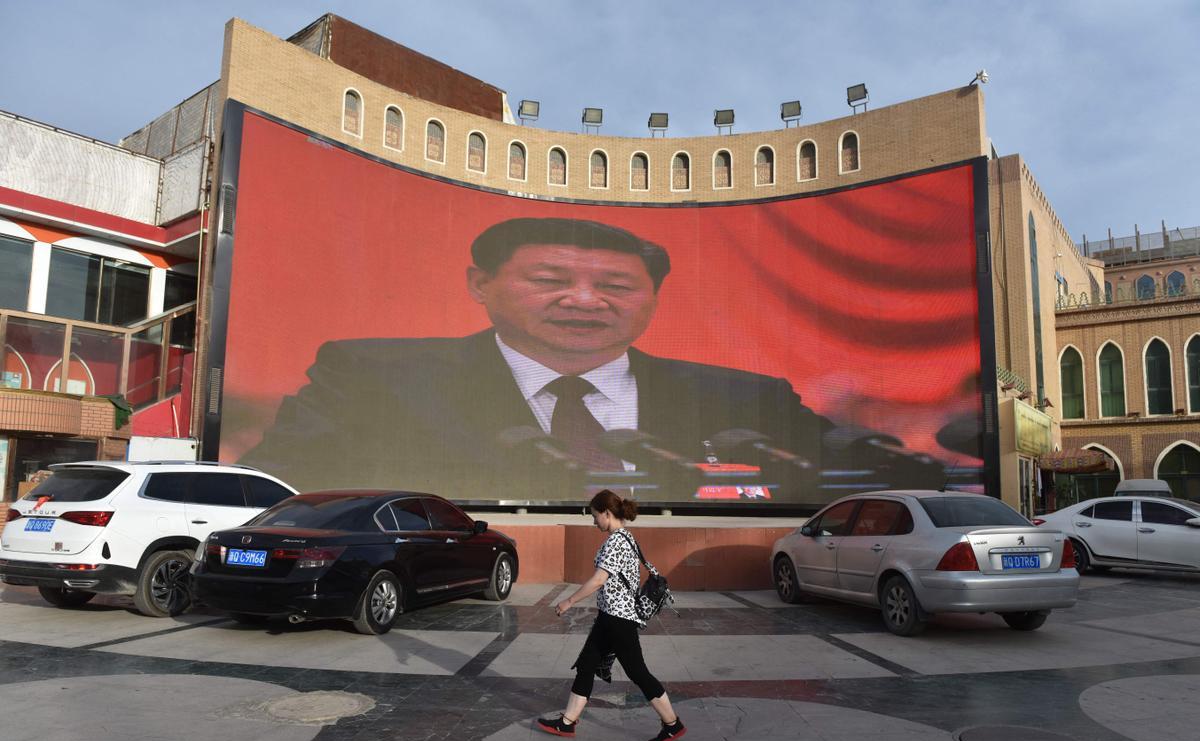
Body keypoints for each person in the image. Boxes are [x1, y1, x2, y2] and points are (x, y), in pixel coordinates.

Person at [242, 217, 946, 501]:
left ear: (651, 300)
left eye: (615, 286)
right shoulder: (370, 374)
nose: (585, 301)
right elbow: (282, 482)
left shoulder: (743, 396)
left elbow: (831, 456)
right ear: (479, 285)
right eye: (551, 280)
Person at [536, 489, 686, 741]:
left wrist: (569, 601)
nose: (594, 521)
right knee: (586, 664)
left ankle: (672, 724)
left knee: (637, 671)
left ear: (607, 513)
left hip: (618, 619)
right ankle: (568, 723)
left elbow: (598, 580)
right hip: (609, 616)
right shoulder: (626, 537)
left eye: (595, 516)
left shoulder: (616, 541)